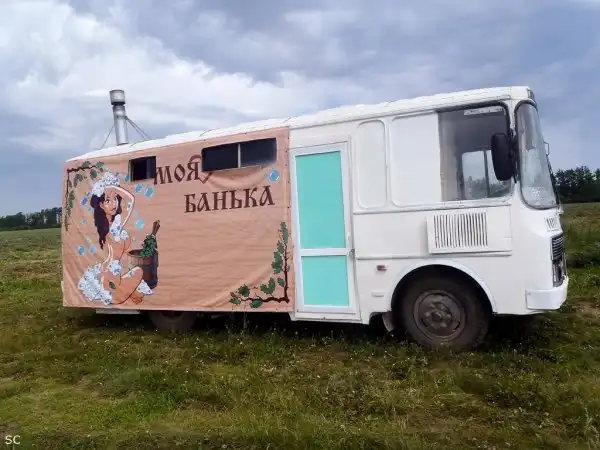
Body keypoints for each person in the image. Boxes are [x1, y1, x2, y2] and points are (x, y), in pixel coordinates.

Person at [77, 169, 153, 306]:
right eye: (108, 200)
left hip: (112, 274)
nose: (113, 204)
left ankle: (131, 294)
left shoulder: (112, 223)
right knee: (138, 275)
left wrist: (111, 188)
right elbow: (130, 200)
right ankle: (127, 294)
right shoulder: (113, 226)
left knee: (138, 293)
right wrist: (112, 187)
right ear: (101, 205)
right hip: (110, 278)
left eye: (115, 199)